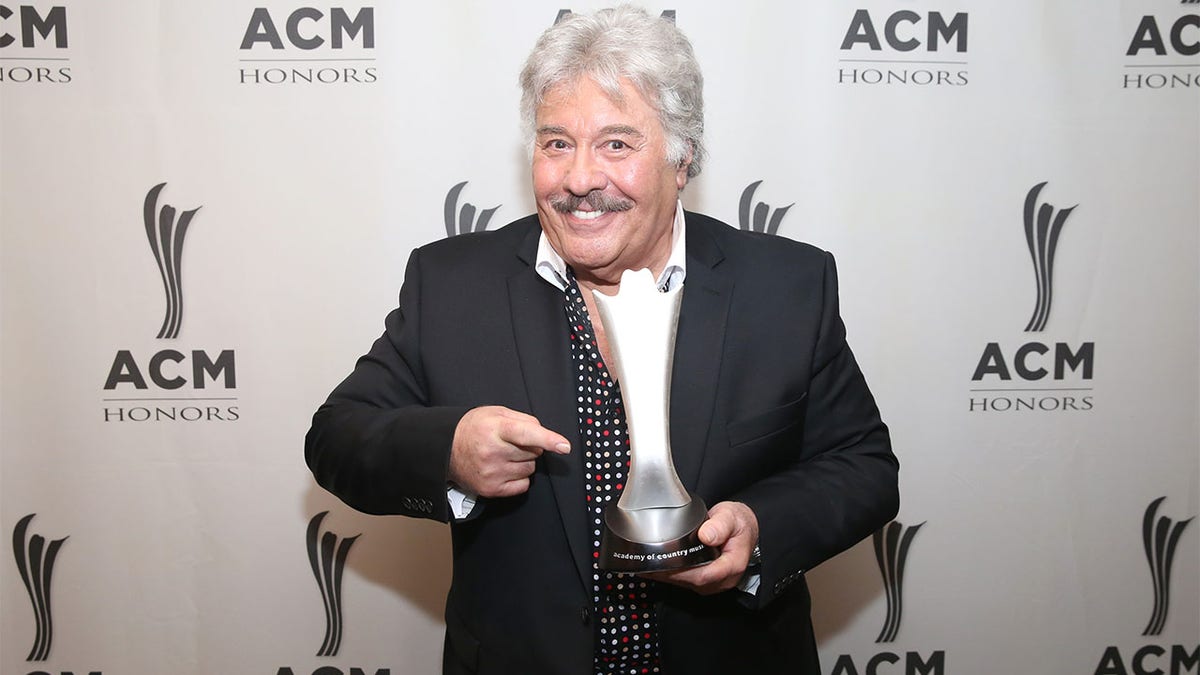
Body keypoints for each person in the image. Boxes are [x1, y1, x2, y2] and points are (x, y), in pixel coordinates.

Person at [305, 6, 898, 674]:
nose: (581, 178)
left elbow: (863, 464)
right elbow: (336, 435)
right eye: (557, 143)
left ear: (682, 161)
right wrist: (449, 450)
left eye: (617, 144)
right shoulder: (450, 286)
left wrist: (761, 526)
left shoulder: (784, 286)